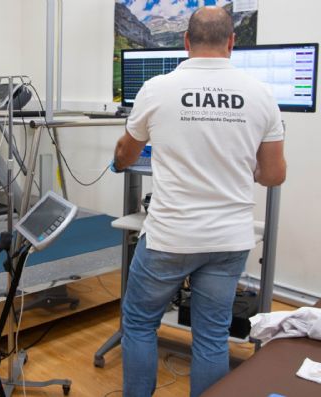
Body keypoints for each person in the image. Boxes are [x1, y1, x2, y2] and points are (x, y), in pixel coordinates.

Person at [110, 7, 286, 397]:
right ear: (232, 42)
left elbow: (126, 154)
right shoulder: (261, 94)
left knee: (139, 323)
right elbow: (274, 174)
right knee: (210, 336)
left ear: (186, 42)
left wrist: (121, 160)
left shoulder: (156, 88)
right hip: (228, 239)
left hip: (171, 237)